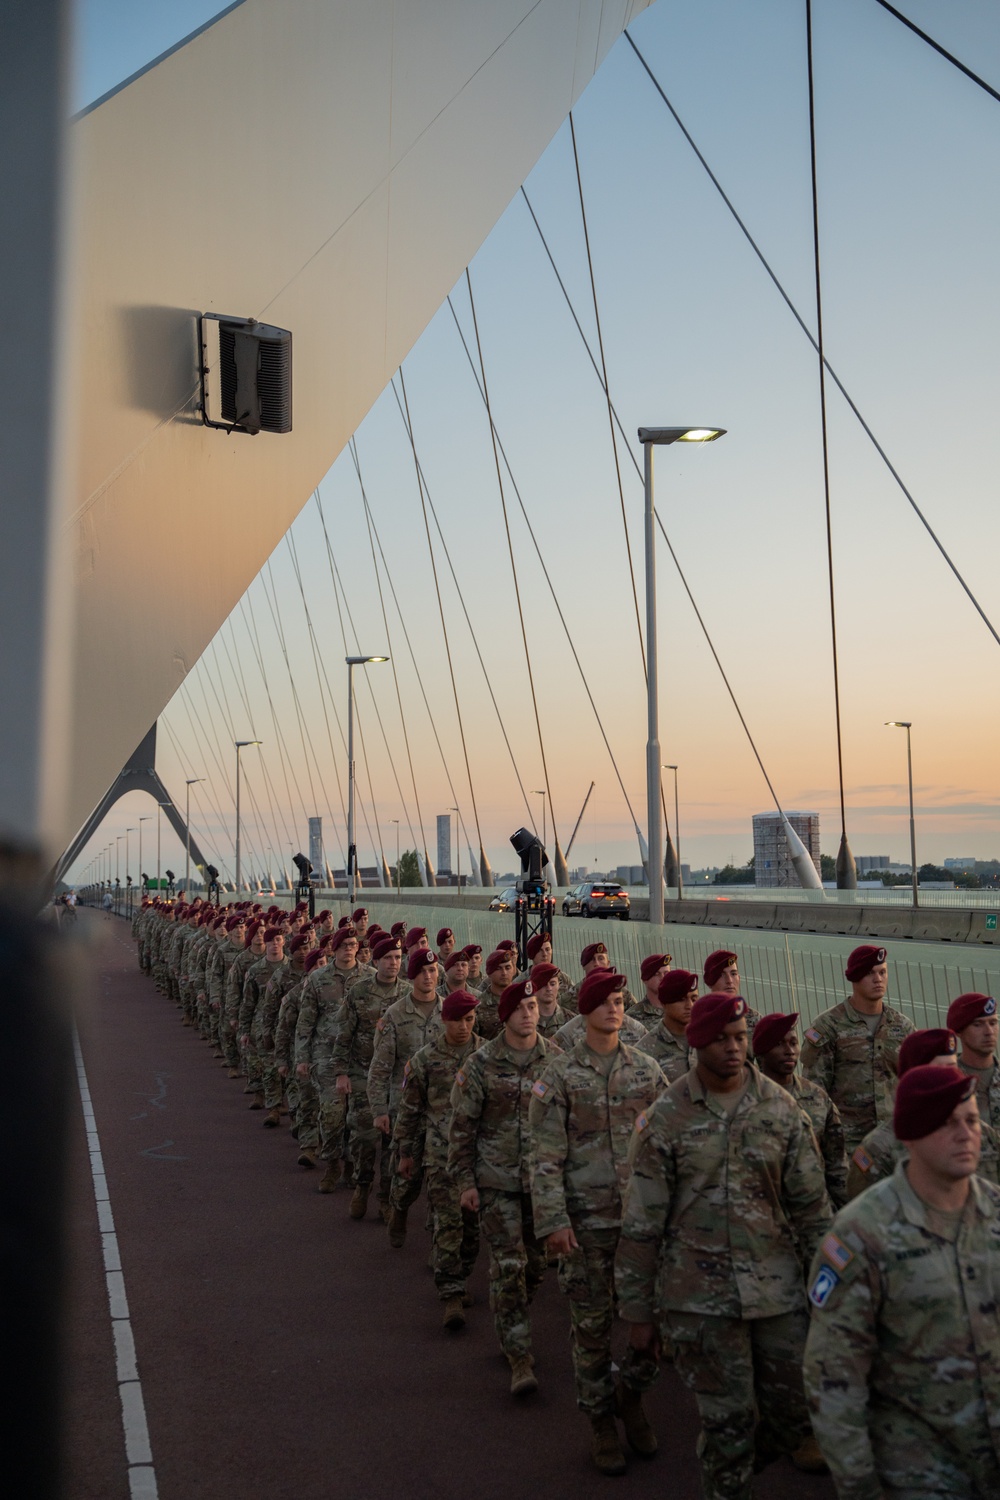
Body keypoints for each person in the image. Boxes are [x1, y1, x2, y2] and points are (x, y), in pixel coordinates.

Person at [616, 992, 832, 1494]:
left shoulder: (781, 1110)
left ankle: (724, 1457)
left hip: (777, 1293)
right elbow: (642, 1221)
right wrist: (639, 1312)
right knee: (729, 1422)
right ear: (697, 1043)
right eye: (721, 1039)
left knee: (791, 1413)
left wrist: (827, 1290)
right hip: (698, 1300)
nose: (734, 1048)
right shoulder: (666, 1118)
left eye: (740, 1038)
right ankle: (724, 1468)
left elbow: (814, 1212)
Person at [804, 1065, 1000, 1498]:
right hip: (922, 1471)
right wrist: (859, 1487)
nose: (967, 1133)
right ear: (909, 1134)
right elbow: (834, 1377)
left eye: (970, 1120)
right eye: (948, 1123)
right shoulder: (860, 1235)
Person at [531, 969, 665, 1475]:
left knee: (649, 1328)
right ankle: (601, 1424)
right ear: (585, 1009)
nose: (616, 1008)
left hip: (639, 1226)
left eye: (620, 1001)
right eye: (606, 1001)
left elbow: (667, 1143)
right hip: (585, 1226)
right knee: (591, 1332)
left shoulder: (649, 1071)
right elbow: (544, 1155)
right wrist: (553, 1221)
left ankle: (630, 1397)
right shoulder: (560, 1077)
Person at [449, 977, 556, 1395]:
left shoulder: (557, 1062)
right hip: (496, 1182)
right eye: (521, 1008)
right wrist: (464, 1182)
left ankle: (510, 1314)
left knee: (534, 1267)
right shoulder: (480, 1064)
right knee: (509, 1266)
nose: (530, 1014)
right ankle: (519, 1355)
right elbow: (462, 1129)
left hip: (541, 1184)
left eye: (533, 1007)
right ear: (505, 1016)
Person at [395, 991, 481, 1330]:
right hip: (439, 1155)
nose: (463, 1027)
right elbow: (410, 1110)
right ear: (444, 1020)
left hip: (478, 1158)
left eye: (470, 1020)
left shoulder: (486, 1055)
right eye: (457, 1020)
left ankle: (460, 1275)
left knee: (472, 1231)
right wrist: (405, 1153)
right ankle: (451, 1294)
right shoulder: (425, 1059)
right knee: (449, 1225)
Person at [800, 944, 916, 1157]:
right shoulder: (829, 1026)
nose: (878, 979)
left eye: (882, 972)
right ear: (854, 977)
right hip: (847, 1148)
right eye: (870, 973)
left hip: (894, 1147)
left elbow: (915, 1085)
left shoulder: (902, 1027)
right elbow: (813, 1092)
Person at [368, 948, 443, 1246]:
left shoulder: (450, 1013)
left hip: (441, 1109)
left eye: (433, 971)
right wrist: (379, 1109)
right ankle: (398, 1208)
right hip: (405, 1109)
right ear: (412, 976)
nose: (429, 976)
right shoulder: (395, 1015)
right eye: (423, 971)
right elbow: (380, 1068)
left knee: (441, 1176)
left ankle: (440, 1237)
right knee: (407, 1174)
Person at [331, 936, 405, 1220]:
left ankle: (385, 1197)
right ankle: (362, 1185)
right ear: (375, 961)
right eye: (387, 958)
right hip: (363, 1072)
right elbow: (343, 1034)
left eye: (397, 958)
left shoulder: (408, 994)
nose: (393, 963)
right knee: (363, 1137)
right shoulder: (359, 992)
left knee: (393, 1143)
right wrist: (341, 1072)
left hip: (396, 1080)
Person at [753, 1011, 848, 1210]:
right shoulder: (747, 1099)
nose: (789, 1050)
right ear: (761, 1052)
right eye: (779, 1044)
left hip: (813, 1213)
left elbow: (837, 1166)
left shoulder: (818, 1098)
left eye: (793, 1043)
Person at [294, 925, 362, 1196]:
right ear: (334, 948)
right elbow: (306, 1022)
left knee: (356, 1119)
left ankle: (350, 1166)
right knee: (333, 1116)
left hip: (360, 1058)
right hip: (326, 1058)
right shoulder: (317, 979)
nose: (349, 948)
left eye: (353, 944)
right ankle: (332, 1164)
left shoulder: (368, 978)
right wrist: (302, 1057)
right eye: (344, 944)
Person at [636, 969, 697, 1083]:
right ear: (664, 1003)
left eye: (694, 999)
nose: (690, 1005)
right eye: (681, 1000)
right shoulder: (644, 1051)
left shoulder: (709, 1040)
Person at [950, 992, 1000, 1127]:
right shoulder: (947, 1083)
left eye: (993, 1023)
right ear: (959, 1032)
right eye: (978, 1024)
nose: (989, 1031)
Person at [476, 950, 517, 1040]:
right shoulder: (478, 1005)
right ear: (489, 972)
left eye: (508, 967)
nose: (504, 973)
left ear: (514, 970)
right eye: (498, 968)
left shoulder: (522, 1000)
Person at [628, 953, 672, 1029]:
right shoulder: (632, 1017)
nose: (662, 977)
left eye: (666, 973)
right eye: (656, 974)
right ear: (645, 979)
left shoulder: (681, 1008)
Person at [529, 961, 568, 1039]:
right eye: (543, 984)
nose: (549, 989)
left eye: (553, 984)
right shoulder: (525, 1020)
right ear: (534, 987)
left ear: (558, 985)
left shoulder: (570, 1020)